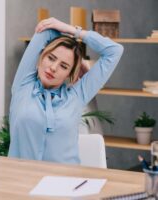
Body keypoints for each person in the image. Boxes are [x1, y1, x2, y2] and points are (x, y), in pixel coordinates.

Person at [8, 18, 124, 164]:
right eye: (51, 58)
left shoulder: (76, 96)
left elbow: (114, 51)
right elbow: (44, 32)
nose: (53, 68)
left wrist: (73, 31)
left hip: (65, 181)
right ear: (41, 57)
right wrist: (71, 47)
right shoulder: (23, 85)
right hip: (20, 180)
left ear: (71, 73)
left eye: (64, 66)